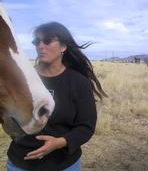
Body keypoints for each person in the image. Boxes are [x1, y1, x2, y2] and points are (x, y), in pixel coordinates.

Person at [6, 22, 107, 171]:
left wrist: (59, 142)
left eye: (47, 41)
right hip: (20, 163)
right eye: (37, 42)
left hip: (63, 164)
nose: (40, 46)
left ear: (63, 47)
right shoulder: (22, 80)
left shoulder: (78, 82)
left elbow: (86, 126)